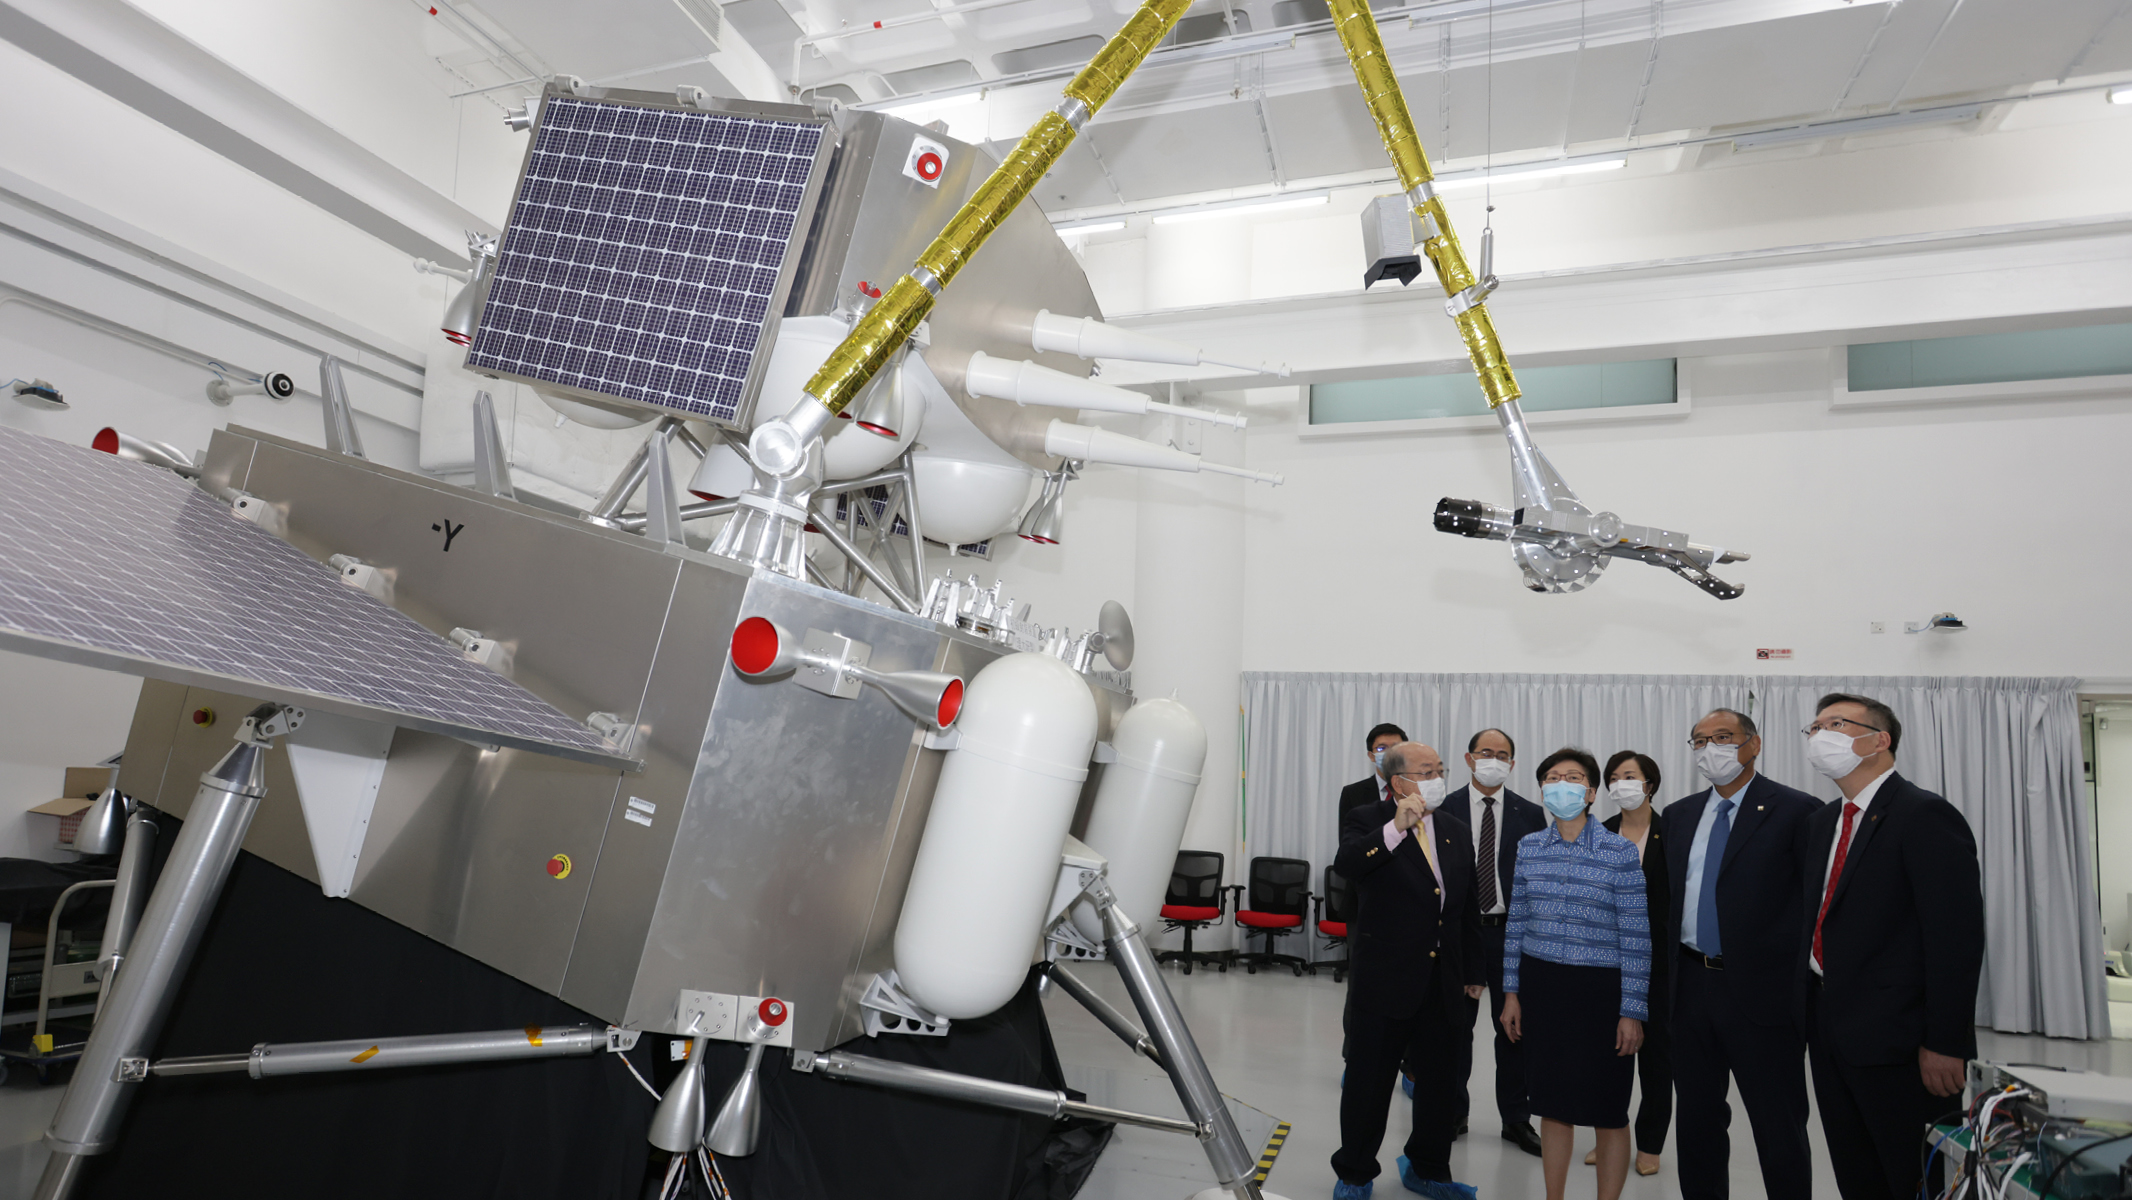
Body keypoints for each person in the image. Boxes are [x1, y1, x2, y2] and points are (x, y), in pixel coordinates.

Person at [1799, 693, 1984, 1200]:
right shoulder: (1823, 823)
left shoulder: (1924, 815)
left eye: (1835, 724)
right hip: (1830, 1028)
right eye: (1814, 728)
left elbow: (1955, 938)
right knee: (1855, 1169)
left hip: (1901, 1040)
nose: (1819, 737)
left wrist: (1946, 1041)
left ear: (1878, 740)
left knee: (1912, 1176)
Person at [1662, 708, 1820, 1200]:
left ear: (1753, 744)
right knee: (1697, 1122)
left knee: (1779, 1127)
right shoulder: (1680, 814)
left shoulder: (1800, 812)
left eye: (1724, 737)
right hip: (1690, 988)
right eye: (1700, 740)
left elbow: (1814, 907)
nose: (1712, 748)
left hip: (1762, 995)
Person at [1332, 743, 1485, 1200]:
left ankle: (1428, 1168)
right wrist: (1395, 829)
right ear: (1399, 782)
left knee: (1440, 1084)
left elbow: (1466, 908)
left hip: (1445, 982)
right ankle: (1355, 1174)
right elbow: (1348, 865)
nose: (1438, 777)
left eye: (1440, 769)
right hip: (1386, 978)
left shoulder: (1455, 829)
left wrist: (1474, 970)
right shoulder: (1367, 820)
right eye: (1426, 771)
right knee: (1369, 1083)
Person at [1499, 748, 1649, 1200]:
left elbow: (1636, 936)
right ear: (1543, 789)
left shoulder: (1618, 850)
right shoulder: (1529, 847)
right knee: (1552, 1104)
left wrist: (1632, 1010)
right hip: (1543, 986)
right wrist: (1511, 992)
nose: (1560, 783)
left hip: (1600, 993)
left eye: (1572, 777)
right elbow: (1517, 922)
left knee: (1609, 1110)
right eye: (1551, 777)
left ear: (1589, 792)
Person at [1439, 728, 1545, 1156]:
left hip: (1511, 934)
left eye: (1503, 755)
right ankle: (1453, 1111)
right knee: (1454, 1029)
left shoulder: (1531, 814)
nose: (1494, 760)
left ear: (1512, 764)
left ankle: (1516, 1119)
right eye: (1486, 752)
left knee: (1515, 1031)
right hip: (1461, 936)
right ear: (1469, 758)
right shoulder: (1441, 808)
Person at [1584, 750, 1669, 1178]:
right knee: (1608, 1056)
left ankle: (1650, 1142)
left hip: (1661, 963)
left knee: (1656, 1059)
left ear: (1649, 784)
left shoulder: (1671, 831)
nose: (1621, 783)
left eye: (1630, 776)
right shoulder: (1600, 832)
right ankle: (1610, 1135)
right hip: (1608, 961)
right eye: (1614, 777)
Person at [1339, 723, 1409, 825]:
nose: (1389, 753)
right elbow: (1348, 840)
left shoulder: (1418, 789)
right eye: (1381, 748)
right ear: (1371, 756)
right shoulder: (1352, 794)